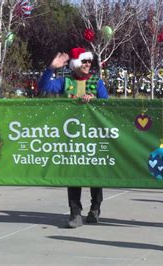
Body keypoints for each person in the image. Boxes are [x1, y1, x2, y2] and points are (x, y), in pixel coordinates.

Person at [38, 47, 108, 228]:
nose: (87, 64)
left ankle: (95, 208)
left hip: (92, 136)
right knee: (73, 175)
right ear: (76, 63)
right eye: (84, 61)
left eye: (89, 61)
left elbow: (108, 107)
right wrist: (51, 68)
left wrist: (95, 100)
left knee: (95, 174)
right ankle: (75, 212)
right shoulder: (65, 81)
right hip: (71, 138)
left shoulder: (97, 82)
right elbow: (43, 87)